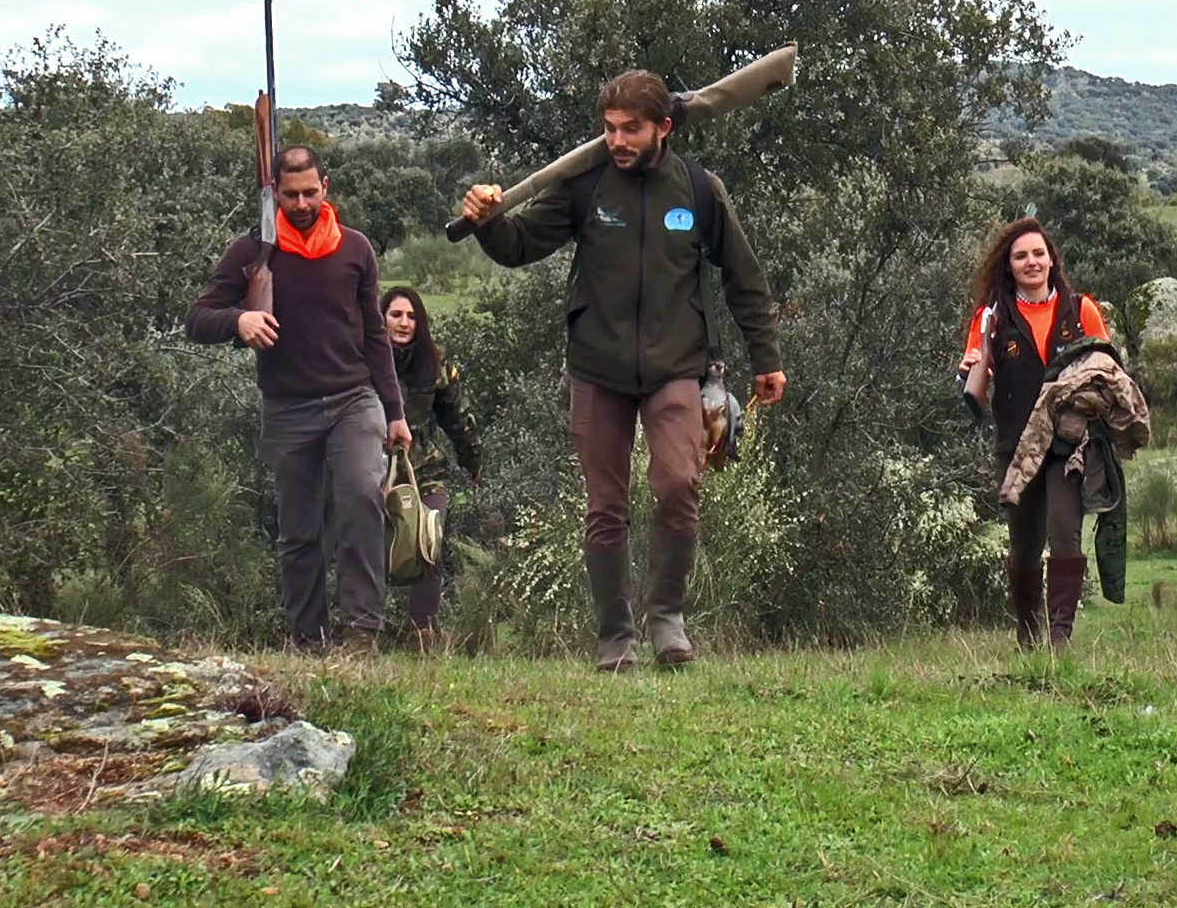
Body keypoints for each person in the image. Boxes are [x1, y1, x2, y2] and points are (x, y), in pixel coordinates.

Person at [459, 69, 785, 671]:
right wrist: (488, 219)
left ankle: (667, 621)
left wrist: (766, 358)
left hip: (676, 368)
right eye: (609, 129)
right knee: (605, 506)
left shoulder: (699, 190)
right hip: (597, 369)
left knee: (678, 487)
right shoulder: (584, 187)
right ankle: (616, 637)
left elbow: (745, 278)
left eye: (630, 129)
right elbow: (519, 246)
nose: (617, 141)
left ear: (663, 128)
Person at [187, 144, 411, 653]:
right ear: (274, 195)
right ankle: (307, 640)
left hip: (355, 400)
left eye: (311, 192)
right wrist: (238, 321)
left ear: (325, 187)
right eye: (291, 195)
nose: (303, 203)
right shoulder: (251, 252)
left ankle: (361, 633)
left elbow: (375, 336)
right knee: (299, 531)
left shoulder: (356, 249)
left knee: (359, 498)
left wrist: (394, 412)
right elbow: (198, 319)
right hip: (287, 409)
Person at [958, 218, 1113, 650]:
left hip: (1068, 445)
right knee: (1024, 549)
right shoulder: (991, 317)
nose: (1032, 262)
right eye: (1021, 256)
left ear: (1051, 259)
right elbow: (974, 363)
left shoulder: (1081, 309)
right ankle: (1028, 639)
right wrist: (974, 367)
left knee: (1065, 534)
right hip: (1016, 445)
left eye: (1039, 254)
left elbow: (1108, 370)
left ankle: (1060, 640)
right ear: (1008, 266)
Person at [382, 285, 483, 645]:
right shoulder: (362, 358)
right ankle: (362, 627)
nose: (404, 323)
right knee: (364, 545)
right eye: (396, 315)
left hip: (424, 468)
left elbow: (457, 418)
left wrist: (472, 459)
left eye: (411, 316)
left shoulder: (436, 362)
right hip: (370, 467)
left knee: (430, 541)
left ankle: (422, 630)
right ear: (382, 318)